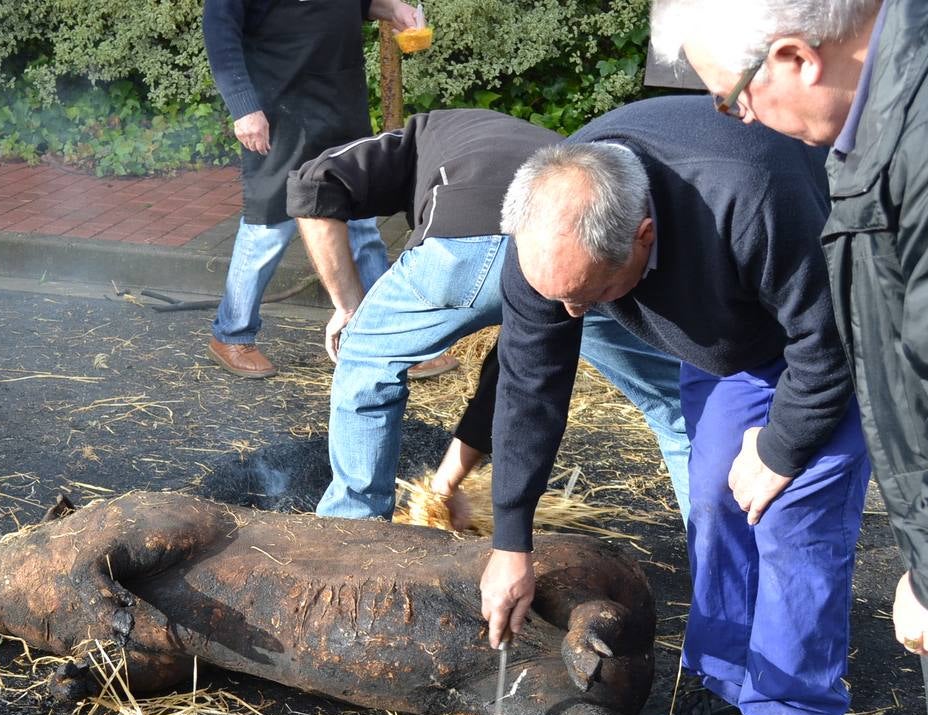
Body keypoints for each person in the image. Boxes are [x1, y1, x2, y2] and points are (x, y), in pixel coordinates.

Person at [650, 1, 928, 715]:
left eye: (731, 95)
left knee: (803, 526)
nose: (725, 117)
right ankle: (727, 677)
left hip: (844, 387)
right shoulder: (888, 97)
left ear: (798, 56)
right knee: (715, 500)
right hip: (764, 363)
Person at [480, 95, 871, 715]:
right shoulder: (549, 237)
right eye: (558, 297)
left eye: (590, 297)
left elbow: (834, 342)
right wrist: (511, 539)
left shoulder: (750, 191)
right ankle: (725, 686)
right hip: (733, 342)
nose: (573, 315)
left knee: (791, 519)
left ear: (643, 237)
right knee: (716, 499)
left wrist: (780, 449)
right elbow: (528, 390)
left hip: (832, 332)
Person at [289, 109, 691, 525]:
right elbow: (514, 371)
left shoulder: (416, 137)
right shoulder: (548, 155)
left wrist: (349, 308)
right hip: (578, 254)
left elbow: (311, 186)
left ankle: (353, 527)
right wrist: (445, 486)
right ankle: (723, 559)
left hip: (467, 247)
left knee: (368, 360)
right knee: (676, 410)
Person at [202, 0, 455, 380]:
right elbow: (220, 35)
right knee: (270, 227)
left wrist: (393, 11)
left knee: (362, 225)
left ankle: (387, 338)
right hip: (278, 110)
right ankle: (232, 334)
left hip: (340, 101)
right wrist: (243, 108)